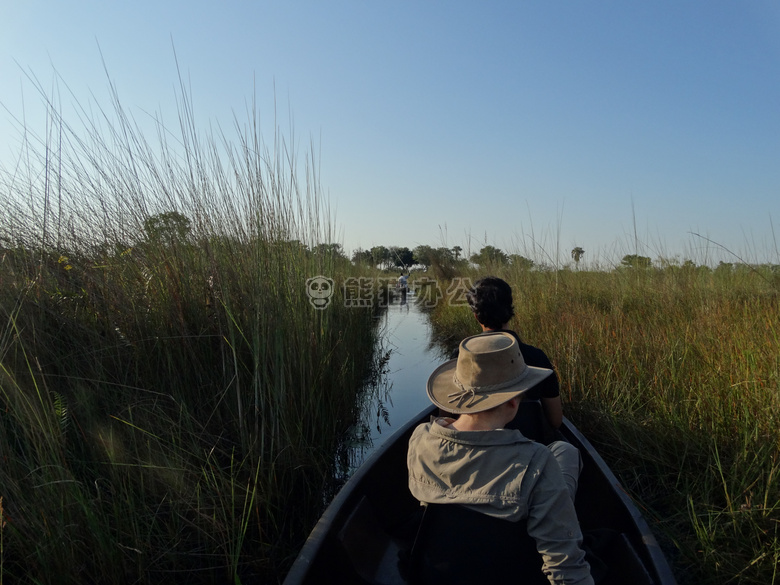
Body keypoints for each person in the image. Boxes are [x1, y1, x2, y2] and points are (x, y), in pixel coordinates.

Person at [407, 331, 592, 584]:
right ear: (514, 402)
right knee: (565, 451)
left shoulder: (420, 439)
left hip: (439, 569)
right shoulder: (536, 461)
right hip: (512, 569)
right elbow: (566, 567)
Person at [465, 276, 563, 439]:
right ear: (510, 311)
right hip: (531, 448)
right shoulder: (538, 358)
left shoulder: (461, 357)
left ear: (476, 316)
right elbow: (555, 421)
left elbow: (446, 416)